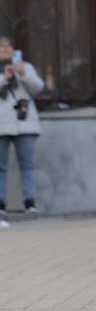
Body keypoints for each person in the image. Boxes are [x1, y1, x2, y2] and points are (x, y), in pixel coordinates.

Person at [0, 36, 43, 217]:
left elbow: (38, 88)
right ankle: (1, 204)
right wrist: (5, 78)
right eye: (1, 48)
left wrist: (23, 74)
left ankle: (30, 202)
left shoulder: (26, 67)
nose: (5, 51)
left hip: (25, 123)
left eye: (8, 47)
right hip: (1, 125)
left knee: (28, 165)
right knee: (0, 167)